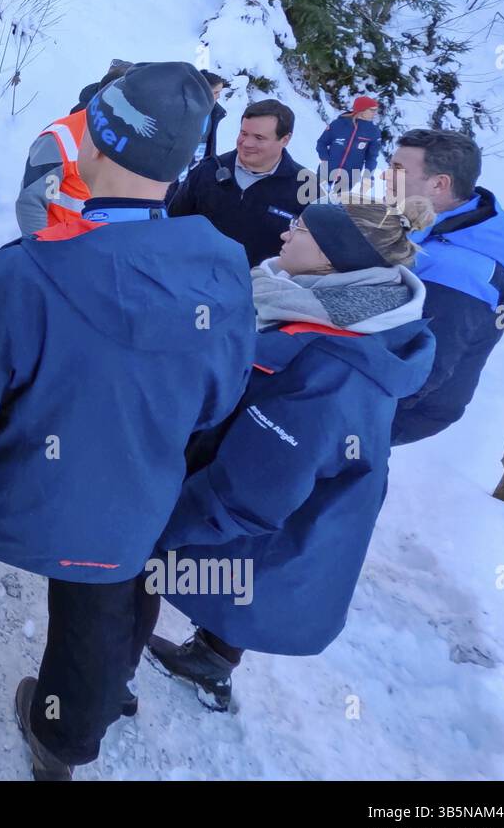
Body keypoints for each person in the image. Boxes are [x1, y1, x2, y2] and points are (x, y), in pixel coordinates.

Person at [0, 63, 257, 780]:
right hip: (124, 509)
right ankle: (64, 742)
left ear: (94, 146)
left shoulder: (27, 274)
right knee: (100, 604)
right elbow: (216, 402)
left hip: (5, 494)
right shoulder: (225, 273)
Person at [148, 198, 437, 711]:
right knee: (249, 582)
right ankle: (210, 662)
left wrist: (153, 531)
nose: (285, 235)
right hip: (301, 493)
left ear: (331, 258)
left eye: (299, 230)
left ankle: (98, 696)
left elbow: (249, 496)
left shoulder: (333, 364)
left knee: (233, 572)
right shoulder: (344, 308)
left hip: (279, 500)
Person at [389, 129, 504, 444]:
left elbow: (424, 369)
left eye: (398, 171)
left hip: (398, 411)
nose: (385, 177)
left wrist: (355, 412)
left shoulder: (460, 272)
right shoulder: (435, 225)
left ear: (439, 184)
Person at [167, 98, 313, 267]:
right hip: (197, 278)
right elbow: (175, 222)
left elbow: (312, 251)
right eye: (244, 133)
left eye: (259, 137)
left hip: (258, 288)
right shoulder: (209, 170)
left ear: (285, 139)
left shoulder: (306, 186)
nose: (247, 143)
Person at [16, 58, 131, 236]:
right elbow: (31, 202)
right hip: (60, 246)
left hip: (104, 248)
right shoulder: (61, 137)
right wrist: (43, 251)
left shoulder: (134, 141)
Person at [315, 95, 381, 195]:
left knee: (335, 207)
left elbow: (372, 157)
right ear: (362, 110)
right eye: (372, 110)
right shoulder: (338, 124)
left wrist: (368, 176)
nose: (375, 113)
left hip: (349, 176)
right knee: (314, 199)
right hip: (327, 171)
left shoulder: (373, 132)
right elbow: (322, 143)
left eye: (376, 110)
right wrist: (325, 161)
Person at [185, 70, 228, 175]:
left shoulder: (214, 111)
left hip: (199, 166)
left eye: (219, 92)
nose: (218, 97)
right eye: (215, 92)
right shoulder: (183, 111)